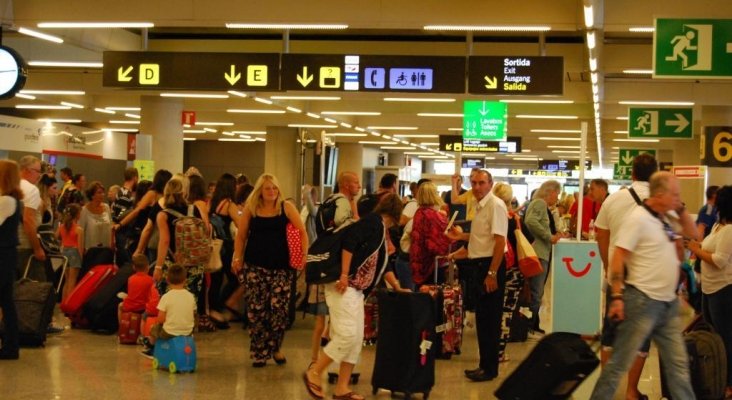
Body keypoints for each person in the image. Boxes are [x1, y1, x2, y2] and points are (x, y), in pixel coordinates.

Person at [590, 172, 696, 399]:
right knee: (619, 364)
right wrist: (617, 296)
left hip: (666, 303)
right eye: (674, 194)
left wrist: (680, 210)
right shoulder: (638, 219)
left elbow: (693, 234)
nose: (678, 198)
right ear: (659, 193)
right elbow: (619, 257)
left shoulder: (666, 217)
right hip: (641, 302)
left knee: (678, 366)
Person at [304, 193, 403, 400]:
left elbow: (381, 266)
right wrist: (343, 274)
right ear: (396, 212)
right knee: (347, 335)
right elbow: (349, 242)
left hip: (356, 290)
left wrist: (397, 286)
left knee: (356, 339)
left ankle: (342, 388)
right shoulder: (373, 223)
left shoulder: (380, 229)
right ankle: (314, 372)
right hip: (345, 286)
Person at [594, 153, 657, 400]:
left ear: (632, 173)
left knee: (610, 333)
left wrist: (608, 265)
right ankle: (631, 391)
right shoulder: (662, 202)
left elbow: (600, 234)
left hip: (618, 279)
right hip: (648, 282)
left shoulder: (614, 200)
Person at [232, 173, 308, 367]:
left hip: (282, 267)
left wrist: (304, 256)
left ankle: (275, 347)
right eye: (268, 188)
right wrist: (237, 257)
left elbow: (302, 232)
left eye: (274, 188)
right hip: (255, 266)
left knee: (279, 310)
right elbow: (241, 236)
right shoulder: (252, 209)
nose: (272, 192)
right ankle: (259, 351)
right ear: (260, 191)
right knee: (257, 310)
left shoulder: (286, 208)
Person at [446, 170, 508, 382]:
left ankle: (490, 369)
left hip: (491, 266)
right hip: (479, 265)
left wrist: (492, 273)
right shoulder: (480, 206)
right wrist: (460, 236)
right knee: (482, 319)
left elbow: (500, 242)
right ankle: (484, 365)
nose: (477, 187)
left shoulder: (496, 206)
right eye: (473, 183)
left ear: (490, 184)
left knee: (490, 320)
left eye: (481, 183)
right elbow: (481, 237)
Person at [687, 185, 732, 398]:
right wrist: (698, 246)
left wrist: (697, 250)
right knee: (714, 335)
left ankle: (727, 382)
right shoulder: (718, 226)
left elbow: (720, 261)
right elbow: (708, 249)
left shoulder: (730, 230)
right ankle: (717, 377)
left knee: (725, 338)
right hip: (710, 288)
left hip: (723, 290)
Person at [153, 175, 214, 332]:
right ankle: (189, 332)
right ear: (184, 193)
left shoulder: (163, 215)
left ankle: (169, 332)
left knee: (169, 300)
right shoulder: (196, 210)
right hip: (195, 263)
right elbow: (206, 231)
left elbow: (165, 241)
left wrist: (158, 267)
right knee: (191, 301)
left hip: (173, 264)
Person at [524, 180, 565, 335]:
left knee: (537, 291)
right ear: (551, 191)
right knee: (537, 291)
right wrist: (549, 236)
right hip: (539, 253)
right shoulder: (539, 203)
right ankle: (528, 325)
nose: (558, 198)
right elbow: (530, 221)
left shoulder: (539, 204)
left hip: (540, 253)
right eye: (557, 193)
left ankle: (533, 323)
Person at [492, 182, 525, 363]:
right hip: (513, 271)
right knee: (506, 312)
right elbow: (528, 241)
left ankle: (489, 351)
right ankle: (500, 352)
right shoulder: (514, 219)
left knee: (493, 312)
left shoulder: (492, 217)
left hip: (495, 268)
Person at [207, 173, 241, 327]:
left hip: (213, 245)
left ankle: (214, 309)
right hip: (225, 246)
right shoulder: (229, 204)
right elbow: (241, 224)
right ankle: (221, 305)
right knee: (234, 278)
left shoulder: (212, 203)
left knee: (216, 279)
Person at [141, 263, 196, 358]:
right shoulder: (191, 296)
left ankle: (152, 347)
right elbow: (194, 314)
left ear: (167, 280)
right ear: (185, 280)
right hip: (188, 332)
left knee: (154, 328)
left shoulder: (166, 297)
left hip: (170, 333)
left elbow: (161, 319)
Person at [0, 160, 24, 360]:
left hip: (2, 255)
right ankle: (11, 345)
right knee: (6, 301)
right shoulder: (13, 201)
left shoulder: (6, 201)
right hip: (7, 255)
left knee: (6, 302)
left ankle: (11, 345)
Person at [409, 181, 450, 287]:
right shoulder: (432, 216)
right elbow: (437, 244)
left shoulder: (419, 212)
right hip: (432, 266)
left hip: (419, 262)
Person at [127, 169, 173, 263]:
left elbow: (137, 211)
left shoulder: (158, 197)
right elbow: (137, 211)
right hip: (155, 237)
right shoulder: (155, 195)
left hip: (153, 237)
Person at [111, 167, 139, 265]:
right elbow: (119, 216)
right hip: (123, 233)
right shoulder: (125, 194)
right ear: (135, 178)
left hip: (122, 233)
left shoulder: (122, 192)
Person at [57, 204, 84, 301]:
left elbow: (56, 238)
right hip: (74, 253)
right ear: (77, 214)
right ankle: (69, 304)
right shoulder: (79, 229)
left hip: (64, 252)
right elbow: (80, 248)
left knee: (66, 280)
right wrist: (82, 259)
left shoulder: (61, 227)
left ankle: (63, 303)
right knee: (72, 281)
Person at [79, 181, 113, 251]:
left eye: (103, 192)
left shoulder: (106, 207)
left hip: (106, 249)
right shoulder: (84, 210)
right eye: (99, 193)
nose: (102, 195)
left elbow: (110, 226)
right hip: (90, 250)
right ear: (92, 195)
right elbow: (80, 232)